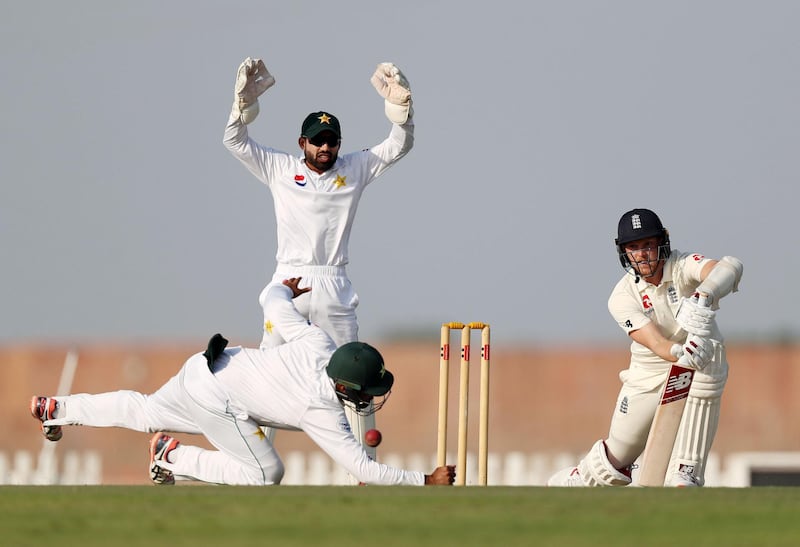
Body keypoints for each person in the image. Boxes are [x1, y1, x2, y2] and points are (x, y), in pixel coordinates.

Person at [30, 278, 455, 487]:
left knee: (143, 409)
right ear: (344, 387)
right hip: (218, 399)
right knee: (267, 471)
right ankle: (171, 456)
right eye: (366, 392)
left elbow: (271, 301)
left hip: (205, 364)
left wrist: (283, 288)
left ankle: (58, 409)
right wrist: (426, 479)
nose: (370, 399)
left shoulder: (317, 341)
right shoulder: (321, 409)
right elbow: (361, 467)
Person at [222, 57, 414, 459]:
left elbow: (400, 145)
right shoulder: (280, 167)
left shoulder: (355, 167)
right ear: (302, 143)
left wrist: (402, 113)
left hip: (332, 281)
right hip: (288, 281)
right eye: (317, 141)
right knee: (266, 377)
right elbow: (234, 142)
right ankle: (257, 469)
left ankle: (365, 470)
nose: (325, 147)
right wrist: (241, 109)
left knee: (356, 376)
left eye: (332, 141)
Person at [547, 208, 743, 487]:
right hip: (647, 372)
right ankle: (580, 479)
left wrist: (704, 295)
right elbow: (655, 342)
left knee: (710, 355)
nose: (642, 254)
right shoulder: (621, 296)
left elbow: (729, 267)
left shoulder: (681, 264)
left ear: (662, 242)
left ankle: (686, 472)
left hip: (700, 358)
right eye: (634, 248)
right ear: (624, 252)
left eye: (648, 245)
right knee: (617, 456)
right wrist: (677, 353)